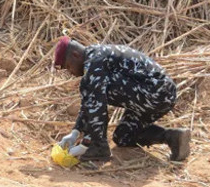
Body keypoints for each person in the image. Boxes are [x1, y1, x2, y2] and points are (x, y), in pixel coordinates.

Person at [54, 36, 190, 162]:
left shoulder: (95, 60)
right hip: (158, 96)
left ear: (75, 55)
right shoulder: (96, 58)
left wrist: (88, 142)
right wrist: (75, 132)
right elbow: (89, 100)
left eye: (68, 66)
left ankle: (98, 146)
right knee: (123, 136)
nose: (70, 72)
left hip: (157, 93)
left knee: (91, 86)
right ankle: (172, 138)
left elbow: (94, 100)